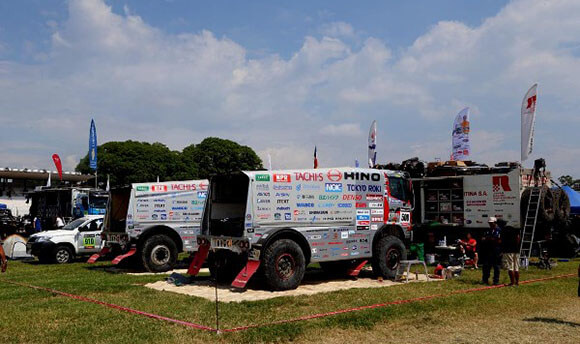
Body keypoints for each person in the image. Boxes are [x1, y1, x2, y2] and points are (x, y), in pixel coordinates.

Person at [481, 217, 502, 285]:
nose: (490, 224)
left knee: (496, 266)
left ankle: (496, 281)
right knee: (486, 266)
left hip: (496, 251)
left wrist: (488, 239)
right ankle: (485, 280)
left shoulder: (499, 230)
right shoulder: (488, 230)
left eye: (491, 223)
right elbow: (483, 239)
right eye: (489, 223)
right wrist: (490, 239)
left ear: (495, 223)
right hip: (488, 251)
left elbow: (498, 240)